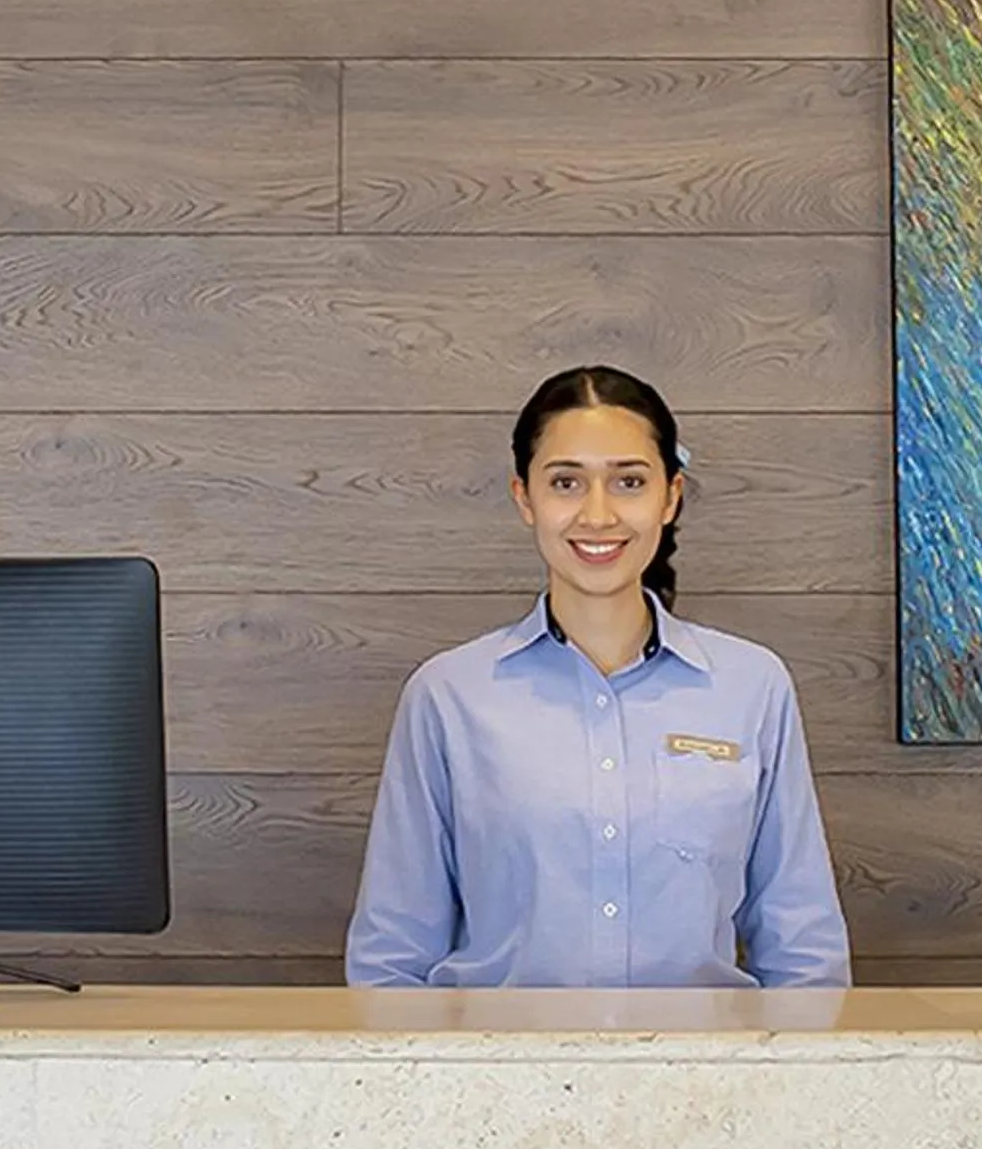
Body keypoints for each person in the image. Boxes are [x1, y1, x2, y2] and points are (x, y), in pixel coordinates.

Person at [344, 365, 851, 988]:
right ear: (524, 498)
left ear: (670, 496)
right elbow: (391, 960)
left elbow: (804, 952)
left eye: (629, 482)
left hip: (704, 1052)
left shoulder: (752, 688)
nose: (598, 514)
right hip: (497, 1051)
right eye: (566, 482)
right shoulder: (448, 696)